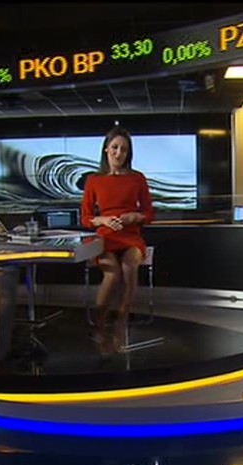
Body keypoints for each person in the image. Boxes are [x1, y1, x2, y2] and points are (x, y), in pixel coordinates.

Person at [80, 127, 155, 348]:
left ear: (128, 153)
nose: (118, 153)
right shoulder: (94, 180)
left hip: (131, 236)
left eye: (123, 149)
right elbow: (86, 218)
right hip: (106, 237)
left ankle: (122, 321)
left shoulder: (137, 178)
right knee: (111, 274)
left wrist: (135, 216)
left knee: (129, 267)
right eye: (114, 147)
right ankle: (100, 325)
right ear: (106, 150)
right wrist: (102, 220)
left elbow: (149, 214)